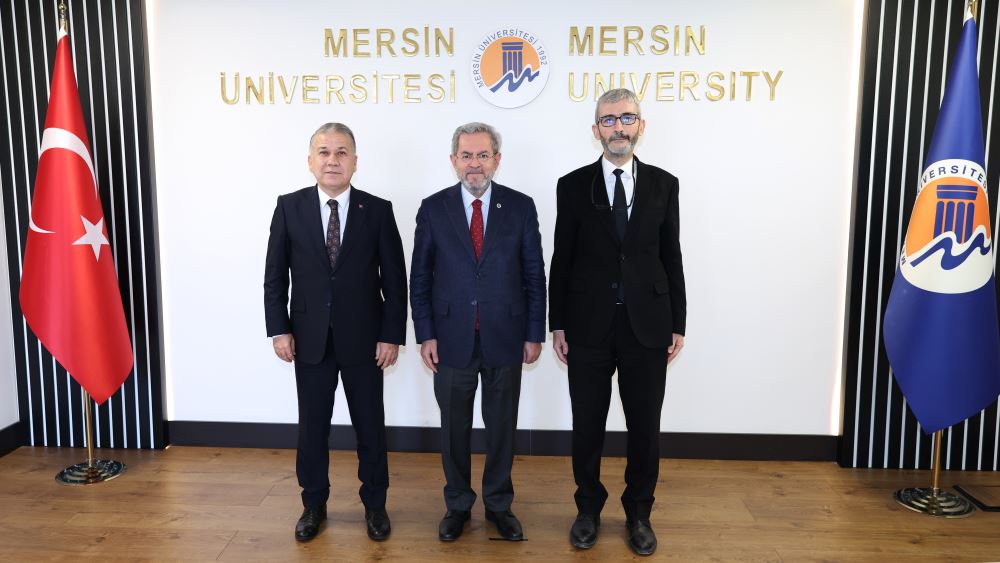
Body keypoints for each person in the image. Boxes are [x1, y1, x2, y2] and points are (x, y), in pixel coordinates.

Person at [549, 89, 687, 556]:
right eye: (609, 120)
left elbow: (671, 256)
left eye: (627, 118)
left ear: (641, 126)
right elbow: (562, 259)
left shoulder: (664, 185)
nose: (618, 127)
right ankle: (587, 509)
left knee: (645, 427)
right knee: (587, 425)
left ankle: (639, 513)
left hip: (647, 326)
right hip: (587, 326)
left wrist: (678, 322)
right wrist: (558, 323)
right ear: (596, 130)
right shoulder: (572, 185)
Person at [264, 122, 407, 542]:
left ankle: (375, 504)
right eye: (324, 152)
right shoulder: (289, 207)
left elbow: (394, 281)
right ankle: (313, 503)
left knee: (370, 426)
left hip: (366, 341)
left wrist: (391, 335)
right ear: (311, 161)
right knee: (312, 428)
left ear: (355, 162)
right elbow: (275, 277)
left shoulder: (377, 210)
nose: (332, 160)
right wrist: (279, 329)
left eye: (341, 152)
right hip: (309, 340)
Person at [410, 122, 546, 542]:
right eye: (466, 155)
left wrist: (534, 332)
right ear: (454, 161)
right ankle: (457, 504)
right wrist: (426, 333)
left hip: (506, 336)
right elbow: (420, 278)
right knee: (454, 428)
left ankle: (499, 505)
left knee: (502, 426)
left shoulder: (520, 207)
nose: (475, 164)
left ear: (497, 160)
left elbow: (534, 275)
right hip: (450, 339)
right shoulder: (433, 209)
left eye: (483, 155)